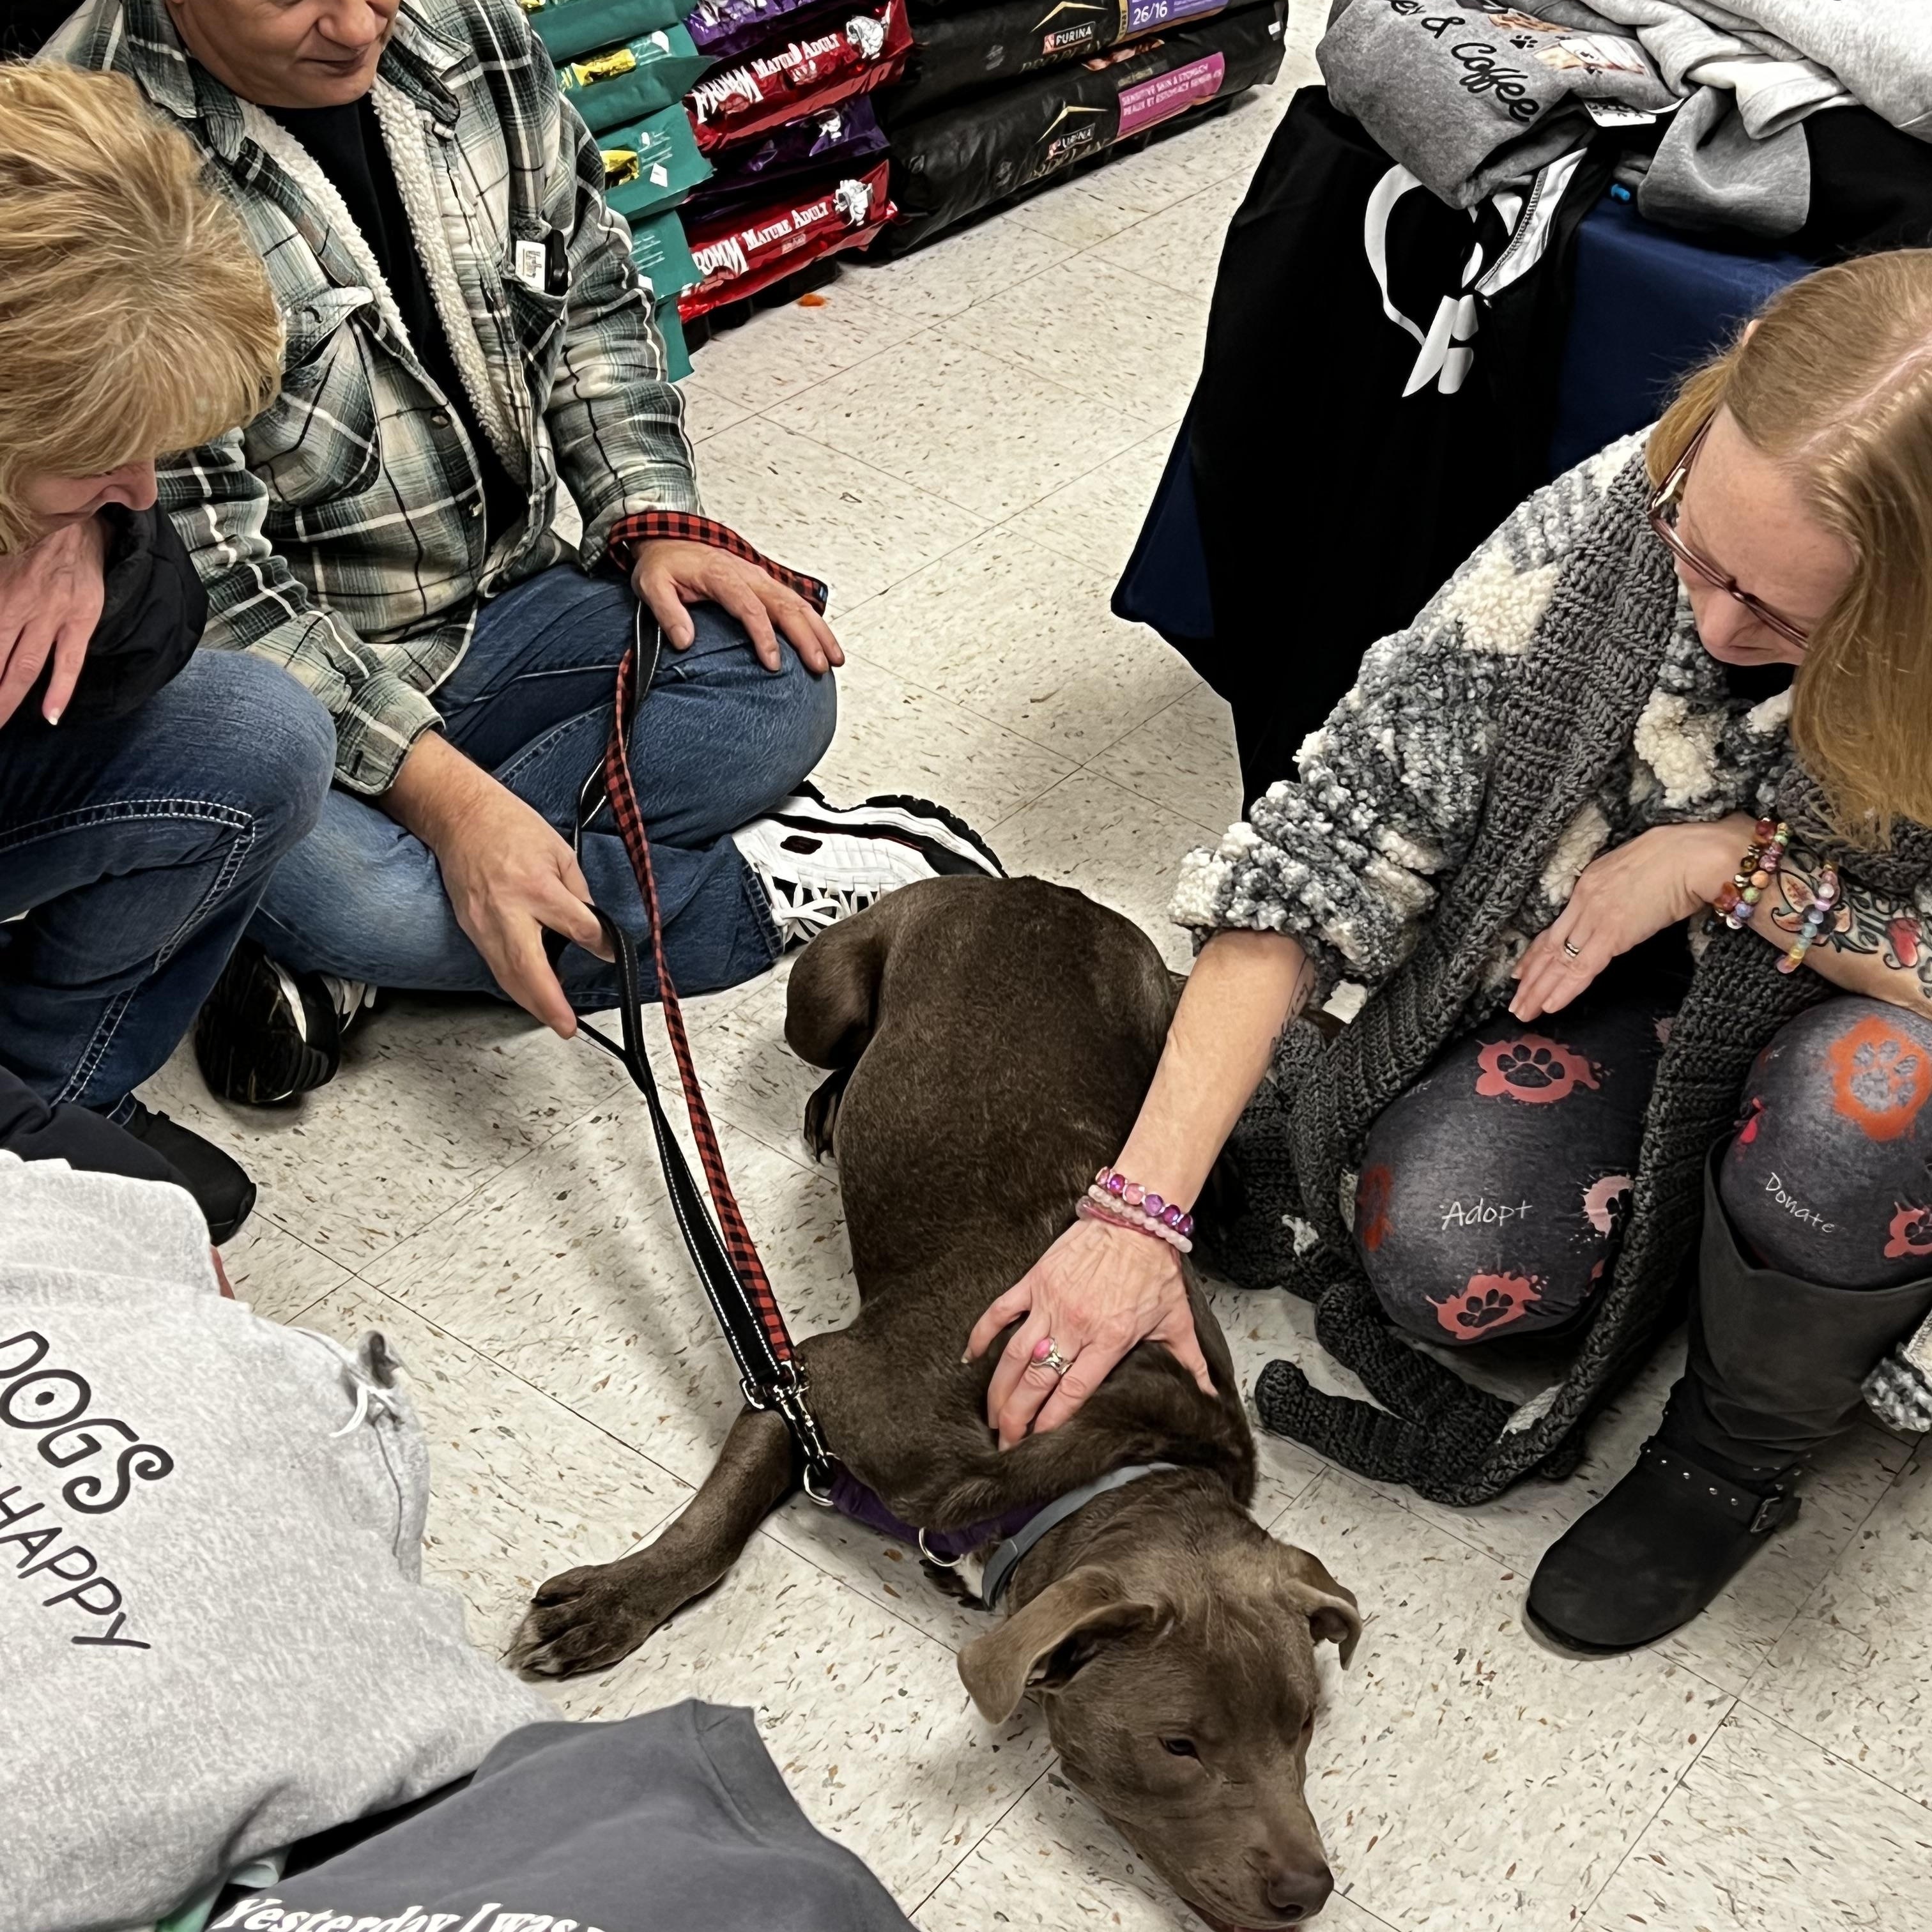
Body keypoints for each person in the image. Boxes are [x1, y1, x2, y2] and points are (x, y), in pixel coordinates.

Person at [968, 250, 1932, 1654]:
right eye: (1699, 555)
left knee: (1865, 1106)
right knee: (1441, 1247)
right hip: (1629, 998)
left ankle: (1732, 1450)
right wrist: (1136, 1218)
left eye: (1785, 617)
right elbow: (1318, 851)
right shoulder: (1603, 531)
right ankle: (1719, 1231)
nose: (1716, 629)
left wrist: (1734, 868)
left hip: (1870, 1014)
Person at [49, 0, 999, 1107]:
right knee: (362, 901)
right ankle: (755, 887)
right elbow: (211, 586)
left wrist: (653, 515)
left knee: (774, 672)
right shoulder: (97, 158)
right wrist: (453, 809)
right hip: (283, 699)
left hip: (504, 605)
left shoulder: (470, 33)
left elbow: (594, 296)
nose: (360, 26)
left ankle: (350, 961)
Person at [0, 60, 334, 1241]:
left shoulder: (49, 485)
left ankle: (64, 1078)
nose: (142, 489)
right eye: (103, 459)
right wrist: (40, 1168)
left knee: (266, 735)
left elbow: (158, 639)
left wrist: (85, 536)